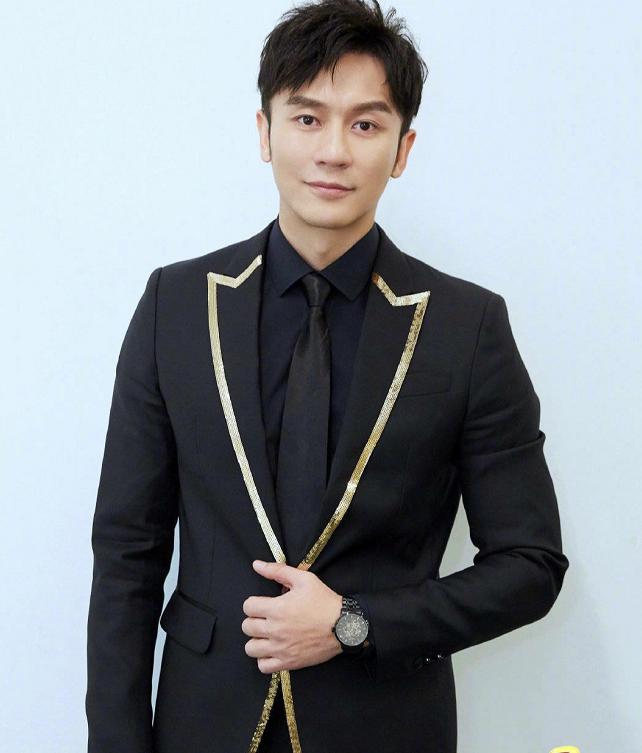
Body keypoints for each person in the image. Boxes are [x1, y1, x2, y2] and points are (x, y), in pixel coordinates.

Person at [85, 1, 570, 752]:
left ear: (403, 148)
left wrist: (354, 622)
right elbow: (127, 552)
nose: (334, 151)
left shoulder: (466, 326)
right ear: (264, 132)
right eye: (307, 118)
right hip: (202, 723)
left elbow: (530, 565)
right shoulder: (174, 305)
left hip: (385, 726)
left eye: (366, 124)